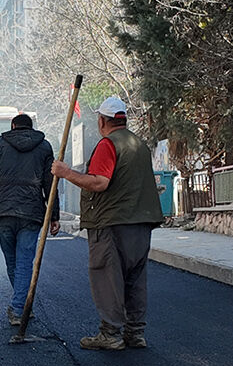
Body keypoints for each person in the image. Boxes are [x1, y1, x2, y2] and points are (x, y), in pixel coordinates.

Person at [51, 95, 165, 351]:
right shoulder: (140, 144)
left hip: (111, 224)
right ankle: (135, 333)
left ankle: (110, 333)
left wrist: (66, 172)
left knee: (107, 277)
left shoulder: (108, 144)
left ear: (102, 120)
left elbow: (100, 182)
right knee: (135, 279)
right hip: (141, 222)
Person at [0, 112, 55, 326]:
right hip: (31, 212)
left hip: (3, 212)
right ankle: (22, 305)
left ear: (12, 126)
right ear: (31, 127)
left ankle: (19, 308)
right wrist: (53, 215)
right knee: (25, 261)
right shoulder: (44, 146)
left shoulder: (0, 143)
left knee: (13, 261)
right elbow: (50, 183)